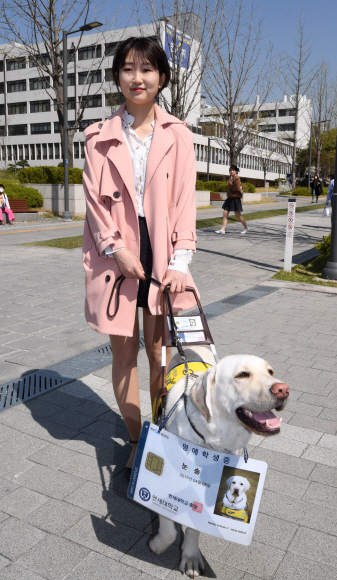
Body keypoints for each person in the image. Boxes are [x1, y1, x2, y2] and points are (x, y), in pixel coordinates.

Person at [82, 37, 198, 479]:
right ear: (117, 77)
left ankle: (162, 434)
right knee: (124, 354)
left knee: (160, 353)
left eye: (147, 69)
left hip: (164, 251)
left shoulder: (179, 135)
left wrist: (181, 261)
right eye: (128, 69)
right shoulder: (98, 138)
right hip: (115, 255)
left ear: (162, 78)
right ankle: (136, 439)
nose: (137, 77)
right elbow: (94, 204)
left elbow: (186, 201)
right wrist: (118, 249)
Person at [215, 165, 249, 234]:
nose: (231, 171)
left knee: (237, 215)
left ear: (236, 171)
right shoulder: (231, 178)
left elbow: (235, 188)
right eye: (230, 170)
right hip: (230, 197)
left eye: (233, 170)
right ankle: (222, 229)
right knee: (225, 212)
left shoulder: (237, 178)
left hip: (235, 198)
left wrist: (230, 181)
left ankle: (246, 228)